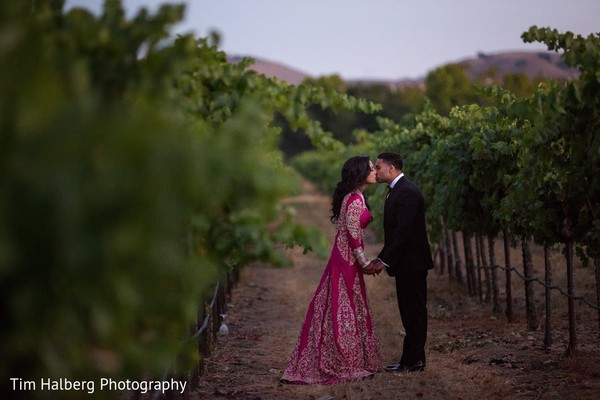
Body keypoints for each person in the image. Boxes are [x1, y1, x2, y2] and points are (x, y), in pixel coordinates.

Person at [281, 155, 380, 384]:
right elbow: (354, 235)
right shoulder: (354, 200)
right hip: (347, 258)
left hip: (344, 255)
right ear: (360, 172)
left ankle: (348, 357)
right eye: (371, 168)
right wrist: (364, 262)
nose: (375, 171)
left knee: (341, 303)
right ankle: (343, 360)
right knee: (342, 305)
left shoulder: (356, 196)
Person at [366, 151, 434, 373]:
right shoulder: (397, 190)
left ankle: (414, 361)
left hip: (413, 263)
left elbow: (402, 233)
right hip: (406, 263)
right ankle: (412, 359)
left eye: (378, 167)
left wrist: (382, 260)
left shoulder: (408, 192)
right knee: (408, 311)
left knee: (414, 312)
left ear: (391, 168)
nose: (376, 171)